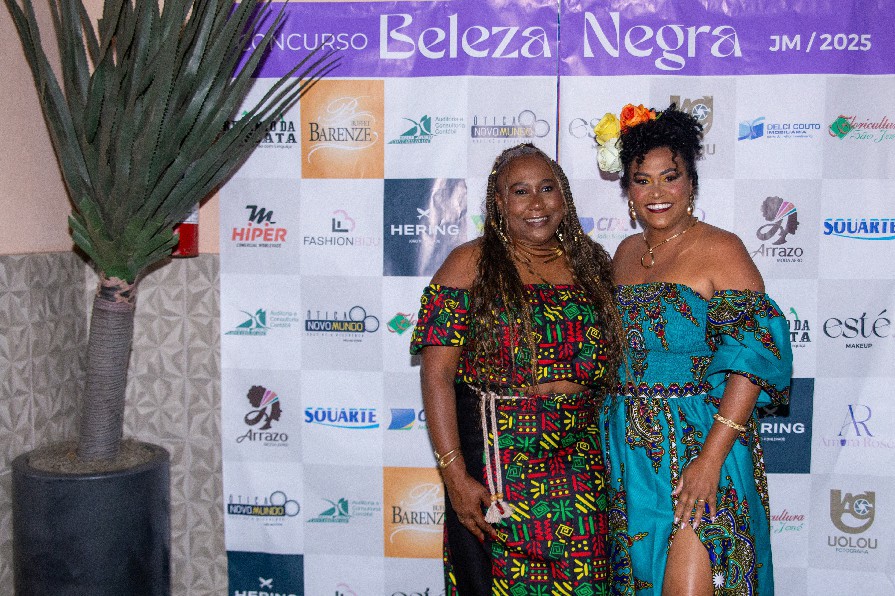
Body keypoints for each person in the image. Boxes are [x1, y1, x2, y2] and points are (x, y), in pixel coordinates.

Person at [410, 144, 624, 594]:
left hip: (582, 463)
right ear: (499, 202)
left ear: (564, 196)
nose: (536, 203)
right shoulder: (469, 264)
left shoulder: (593, 265)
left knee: (588, 582)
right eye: (520, 191)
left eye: (547, 188)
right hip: (501, 464)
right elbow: (436, 375)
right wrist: (455, 475)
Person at [596, 105, 793, 595]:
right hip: (627, 453)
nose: (657, 193)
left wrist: (709, 460)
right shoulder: (623, 254)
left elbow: (751, 357)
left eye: (670, 177)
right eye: (642, 180)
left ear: (692, 183)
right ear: (628, 190)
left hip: (699, 441)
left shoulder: (722, 249)